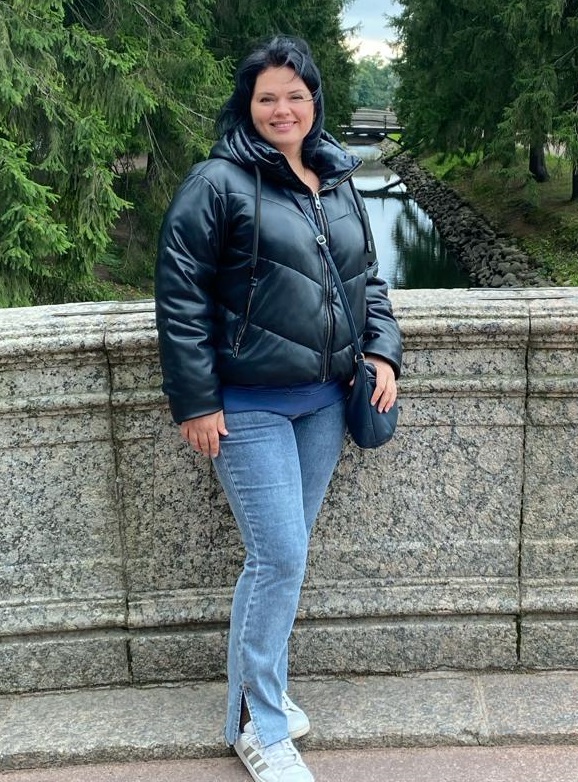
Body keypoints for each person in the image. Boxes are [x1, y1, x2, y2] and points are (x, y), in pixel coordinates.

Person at [155, 35, 402, 782]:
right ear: (248, 105)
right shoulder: (217, 183)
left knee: (280, 562)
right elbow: (180, 298)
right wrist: (196, 400)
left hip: (325, 402)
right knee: (280, 557)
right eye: (268, 98)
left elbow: (367, 280)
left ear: (315, 101)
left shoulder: (335, 176)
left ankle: (258, 694)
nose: (283, 109)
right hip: (247, 407)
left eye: (296, 96)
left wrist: (383, 351)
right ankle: (255, 724)